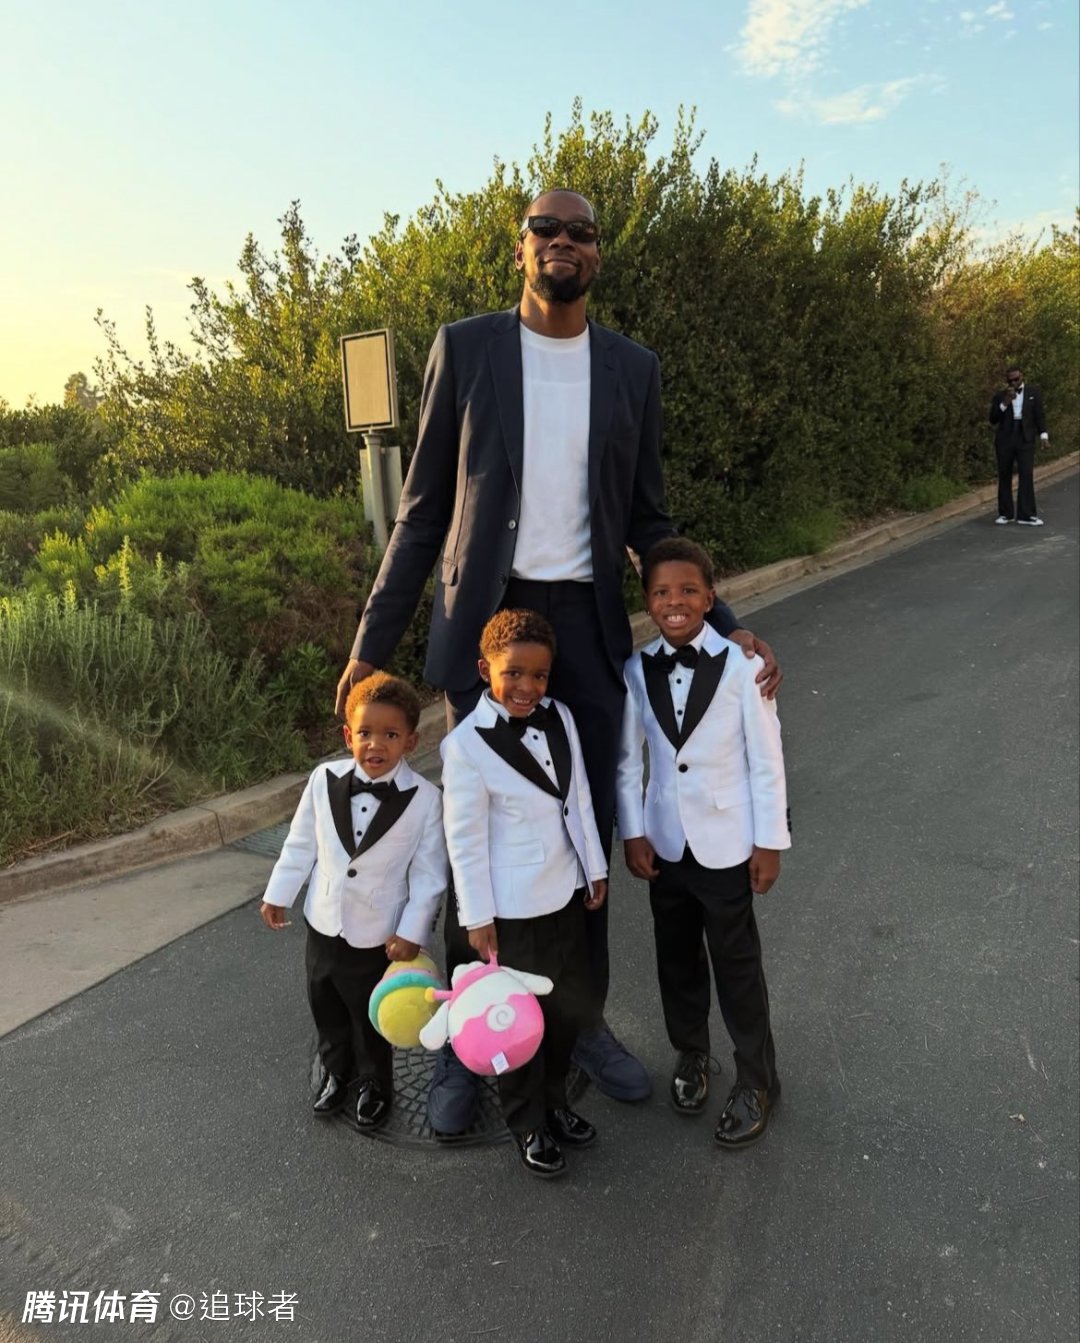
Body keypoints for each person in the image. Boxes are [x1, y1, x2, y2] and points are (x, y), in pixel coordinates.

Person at [335, 188, 782, 1125]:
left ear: (597, 254)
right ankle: (469, 1029)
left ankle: (577, 1025)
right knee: (478, 829)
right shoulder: (467, 348)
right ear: (521, 247)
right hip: (488, 620)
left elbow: (650, 520)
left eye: (581, 231)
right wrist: (371, 647)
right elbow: (422, 513)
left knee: (585, 833)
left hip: (584, 626)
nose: (563, 242)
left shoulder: (632, 368)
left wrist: (726, 620)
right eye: (546, 228)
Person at [616, 538, 790, 1148]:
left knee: (737, 964)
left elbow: (766, 760)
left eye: (689, 590)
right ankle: (691, 1053)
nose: (676, 601)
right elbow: (626, 762)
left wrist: (769, 842)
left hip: (727, 844)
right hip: (665, 845)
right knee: (677, 957)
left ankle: (758, 1080)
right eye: (662, 592)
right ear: (647, 601)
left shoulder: (744, 667)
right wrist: (633, 832)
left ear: (710, 598)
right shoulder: (637, 670)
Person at [440, 609, 606, 1177]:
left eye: (539, 675)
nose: (527, 687)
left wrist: (594, 867)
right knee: (516, 1020)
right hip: (510, 909)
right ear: (485, 669)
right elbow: (464, 839)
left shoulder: (560, 716)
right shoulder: (465, 746)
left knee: (563, 1012)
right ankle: (526, 1121)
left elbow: (577, 798)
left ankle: (555, 1103)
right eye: (513, 673)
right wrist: (477, 915)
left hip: (564, 892)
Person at [260, 673, 447, 1131]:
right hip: (323, 921)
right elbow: (301, 844)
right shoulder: (323, 779)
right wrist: (278, 893)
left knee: (369, 1015)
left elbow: (428, 875)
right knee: (324, 1003)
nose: (375, 744)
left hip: (378, 933)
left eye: (390, 735)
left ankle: (375, 1083)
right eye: (365, 733)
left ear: (410, 741)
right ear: (348, 735)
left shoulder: (425, 800)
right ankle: (335, 1072)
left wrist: (411, 931)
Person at [990, 366, 1049, 526]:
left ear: (1022, 377)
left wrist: (1044, 436)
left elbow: (1039, 415)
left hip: (1025, 437)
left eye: (1016, 379)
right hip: (1006, 439)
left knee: (1026, 474)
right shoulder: (1000, 396)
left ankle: (1026, 515)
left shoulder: (1033, 392)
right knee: (1004, 474)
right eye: (1010, 381)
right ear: (1007, 381)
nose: (1014, 383)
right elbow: (993, 419)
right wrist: (1005, 403)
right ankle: (1005, 513)